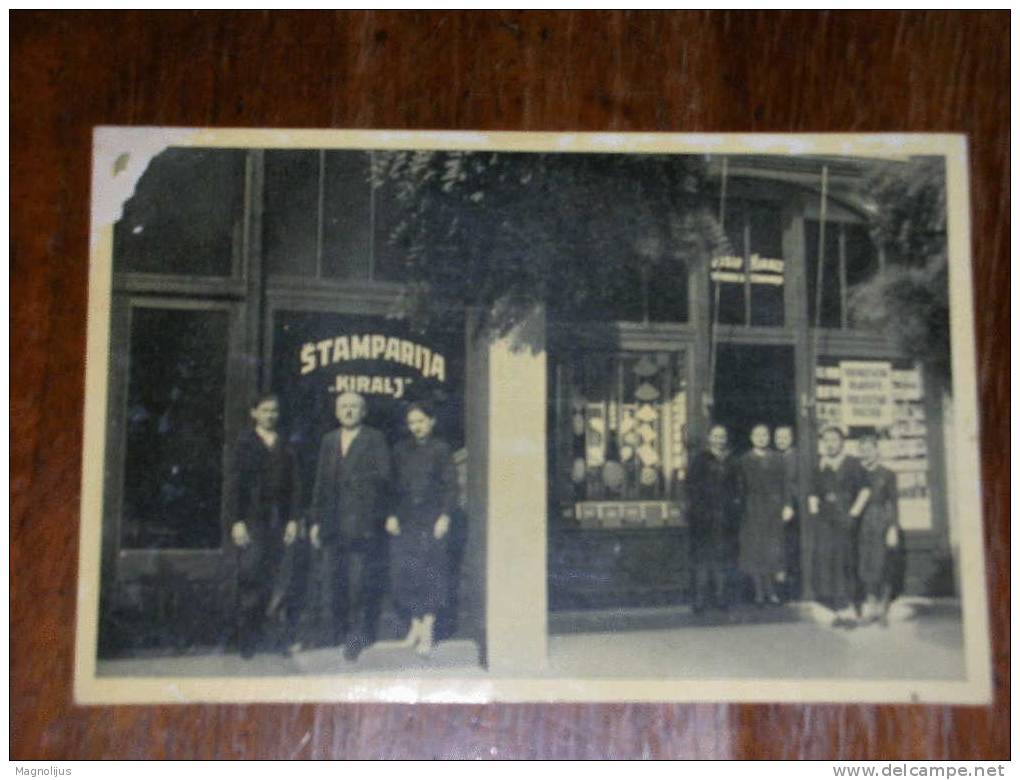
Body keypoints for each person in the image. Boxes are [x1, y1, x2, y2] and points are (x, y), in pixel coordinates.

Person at [306, 392, 391, 661]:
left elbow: (384, 478)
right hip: (333, 524)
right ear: (336, 412)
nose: (349, 411)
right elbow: (320, 483)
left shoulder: (374, 439)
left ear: (363, 412)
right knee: (335, 580)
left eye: (354, 407)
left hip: (361, 525)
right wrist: (316, 521)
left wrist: (369, 509)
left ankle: (357, 636)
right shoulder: (329, 441)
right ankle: (335, 633)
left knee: (359, 583)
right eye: (344, 407)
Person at [227, 393, 301, 658]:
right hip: (253, 520)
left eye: (274, 411)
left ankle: (277, 640)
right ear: (254, 413)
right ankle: (247, 640)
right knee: (251, 576)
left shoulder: (285, 444)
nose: (270, 415)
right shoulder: (244, 443)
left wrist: (293, 519)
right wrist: (237, 521)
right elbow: (235, 486)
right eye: (265, 411)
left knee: (280, 579)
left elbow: (294, 486)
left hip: (279, 520)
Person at [385, 402, 459, 656]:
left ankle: (428, 630)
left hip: (431, 521)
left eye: (421, 421)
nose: (416, 427)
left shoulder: (441, 449)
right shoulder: (400, 450)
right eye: (412, 422)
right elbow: (392, 486)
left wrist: (445, 516)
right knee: (406, 574)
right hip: (406, 521)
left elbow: (451, 486)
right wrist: (391, 514)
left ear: (432, 421)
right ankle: (414, 627)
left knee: (430, 573)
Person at [807, 426, 871, 628]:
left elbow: (865, 490)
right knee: (827, 559)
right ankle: (832, 605)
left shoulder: (852, 464)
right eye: (826, 440)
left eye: (834, 439)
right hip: (825, 519)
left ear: (842, 441)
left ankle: (849, 605)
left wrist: (854, 513)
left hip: (845, 515)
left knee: (846, 559)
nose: (830, 443)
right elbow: (812, 492)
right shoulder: (820, 465)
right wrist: (815, 511)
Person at [686, 424, 742, 612]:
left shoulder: (732, 461)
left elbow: (738, 488)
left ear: (726, 439)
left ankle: (721, 598)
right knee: (702, 558)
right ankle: (700, 600)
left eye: (722, 436)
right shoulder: (699, 460)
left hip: (724, 516)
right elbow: (691, 487)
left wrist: (734, 508)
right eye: (716, 436)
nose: (719, 440)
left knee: (722, 558)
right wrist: (697, 510)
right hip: (703, 516)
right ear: (710, 438)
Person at [737, 424, 794, 606]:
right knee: (755, 550)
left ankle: (773, 592)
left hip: (773, 509)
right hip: (753, 508)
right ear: (752, 438)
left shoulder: (777, 458)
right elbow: (740, 487)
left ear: (769, 438)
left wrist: (787, 505)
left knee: (773, 550)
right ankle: (759, 593)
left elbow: (785, 484)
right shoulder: (745, 459)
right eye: (757, 435)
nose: (761, 438)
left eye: (764, 435)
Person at [856, 433, 900, 626]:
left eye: (870, 449)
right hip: (862, 523)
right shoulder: (857, 473)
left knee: (883, 565)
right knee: (866, 564)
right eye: (862, 450)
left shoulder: (887, 474)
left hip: (881, 521)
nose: (866, 453)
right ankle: (870, 606)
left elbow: (894, 503)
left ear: (877, 450)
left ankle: (883, 609)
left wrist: (893, 528)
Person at [774, 424, 801, 601]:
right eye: (778, 438)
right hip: (774, 508)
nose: (781, 441)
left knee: (790, 548)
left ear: (792, 438)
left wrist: (790, 505)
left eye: (785, 437)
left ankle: (791, 591)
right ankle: (779, 589)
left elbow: (793, 484)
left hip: (792, 509)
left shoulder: (796, 457)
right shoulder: (774, 457)